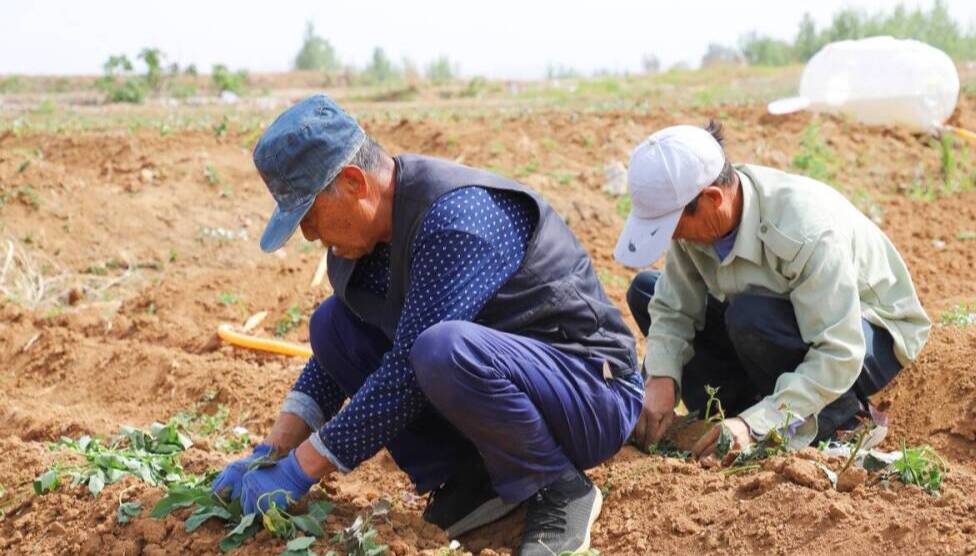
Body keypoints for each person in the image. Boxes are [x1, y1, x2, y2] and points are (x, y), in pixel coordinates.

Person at [213, 95, 644, 555]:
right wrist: (272, 452)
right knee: (333, 324)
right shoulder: (370, 241)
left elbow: (405, 374)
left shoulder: (457, 219)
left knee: (441, 349)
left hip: (591, 390)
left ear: (354, 182)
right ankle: (471, 482)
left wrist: (302, 469)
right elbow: (332, 361)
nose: (309, 235)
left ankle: (558, 489)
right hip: (516, 386)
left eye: (310, 215)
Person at [615, 121, 930, 459]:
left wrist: (758, 424)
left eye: (672, 225)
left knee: (751, 316)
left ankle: (842, 418)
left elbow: (840, 351)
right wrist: (661, 378)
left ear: (712, 198)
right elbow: (674, 308)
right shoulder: (701, 219)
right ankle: (744, 411)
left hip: (868, 333)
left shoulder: (805, 229)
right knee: (647, 291)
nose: (672, 237)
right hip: (781, 319)